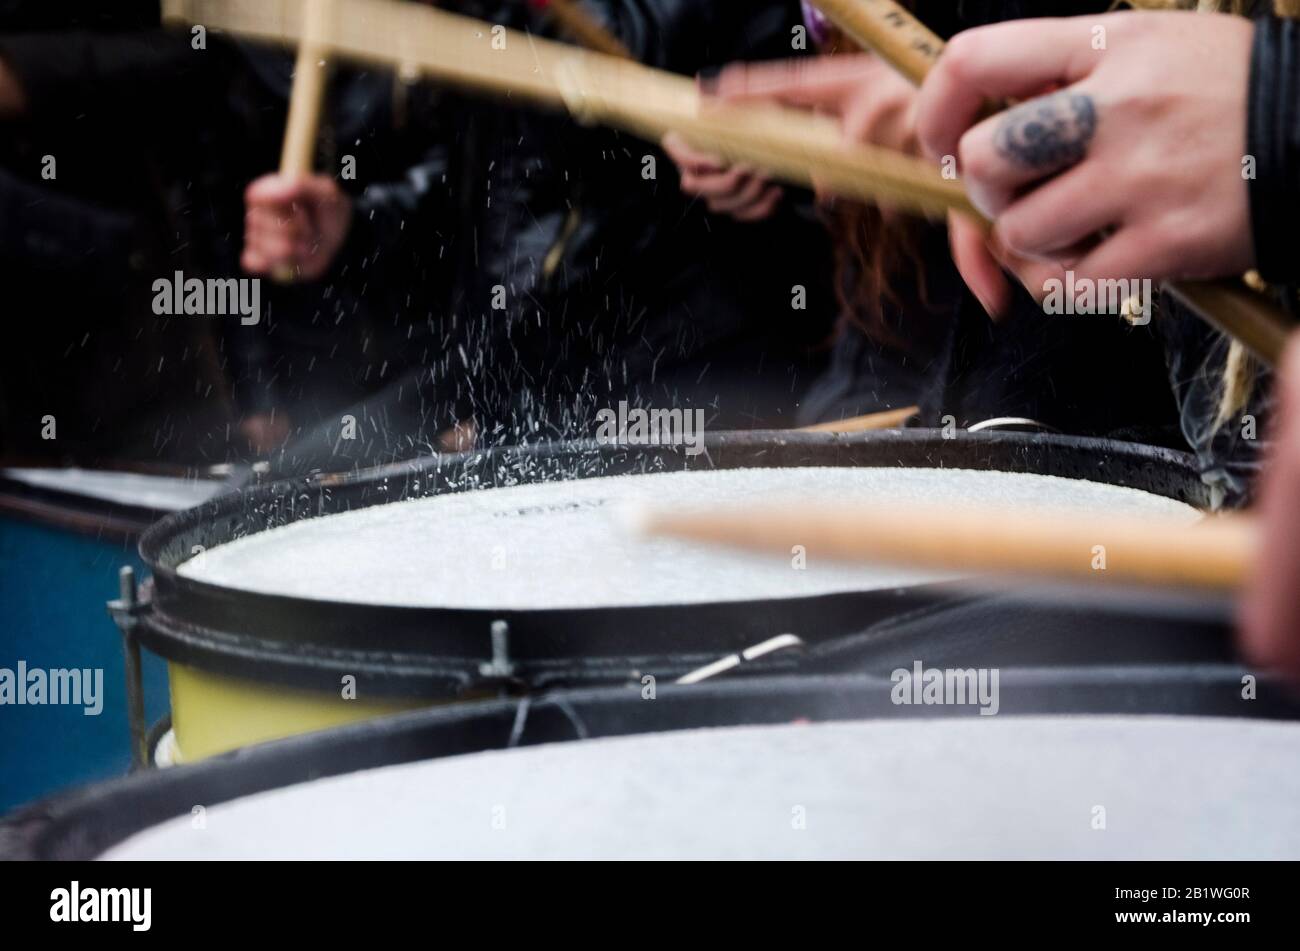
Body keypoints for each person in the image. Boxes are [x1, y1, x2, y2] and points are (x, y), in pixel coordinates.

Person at [239, 0, 838, 471]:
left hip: (682, 380)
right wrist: (358, 233)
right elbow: (503, 188)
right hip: (521, 370)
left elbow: (615, 65)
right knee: (281, 497)